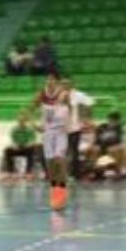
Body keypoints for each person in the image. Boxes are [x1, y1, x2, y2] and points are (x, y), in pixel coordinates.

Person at [35, 74, 73, 209]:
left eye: (52, 79)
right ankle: (54, 193)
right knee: (51, 166)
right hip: (48, 134)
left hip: (61, 133)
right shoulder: (43, 99)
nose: (50, 81)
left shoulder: (64, 99)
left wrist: (69, 123)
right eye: (48, 79)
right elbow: (36, 110)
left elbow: (69, 105)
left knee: (59, 160)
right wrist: (37, 125)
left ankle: (61, 195)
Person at [61, 77, 94, 180]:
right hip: (62, 128)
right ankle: (62, 172)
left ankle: (74, 174)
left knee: (74, 151)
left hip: (75, 127)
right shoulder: (58, 96)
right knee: (62, 151)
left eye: (67, 84)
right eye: (63, 84)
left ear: (72, 85)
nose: (65, 86)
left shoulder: (79, 95)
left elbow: (90, 103)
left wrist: (86, 118)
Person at [3, 110, 42, 179]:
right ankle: (10, 171)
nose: (21, 121)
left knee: (31, 150)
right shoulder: (14, 130)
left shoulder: (30, 130)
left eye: (23, 120)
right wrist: (14, 145)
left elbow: (32, 140)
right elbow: (12, 140)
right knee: (7, 150)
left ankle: (28, 172)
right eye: (20, 120)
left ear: (25, 121)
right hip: (17, 148)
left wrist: (28, 144)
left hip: (27, 148)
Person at [89, 111, 126, 179]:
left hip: (112, 148)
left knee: (115, 150)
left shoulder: (119, 128)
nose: (112, 122)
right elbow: (96, 138)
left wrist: (115, 146)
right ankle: (95, 171)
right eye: (111, 120)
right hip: (101, 147)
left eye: (115, 121)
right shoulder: (102, 126)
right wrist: (94, 144)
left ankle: (117, 171)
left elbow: (120, 141)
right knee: (95, 149)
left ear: (118, 121)